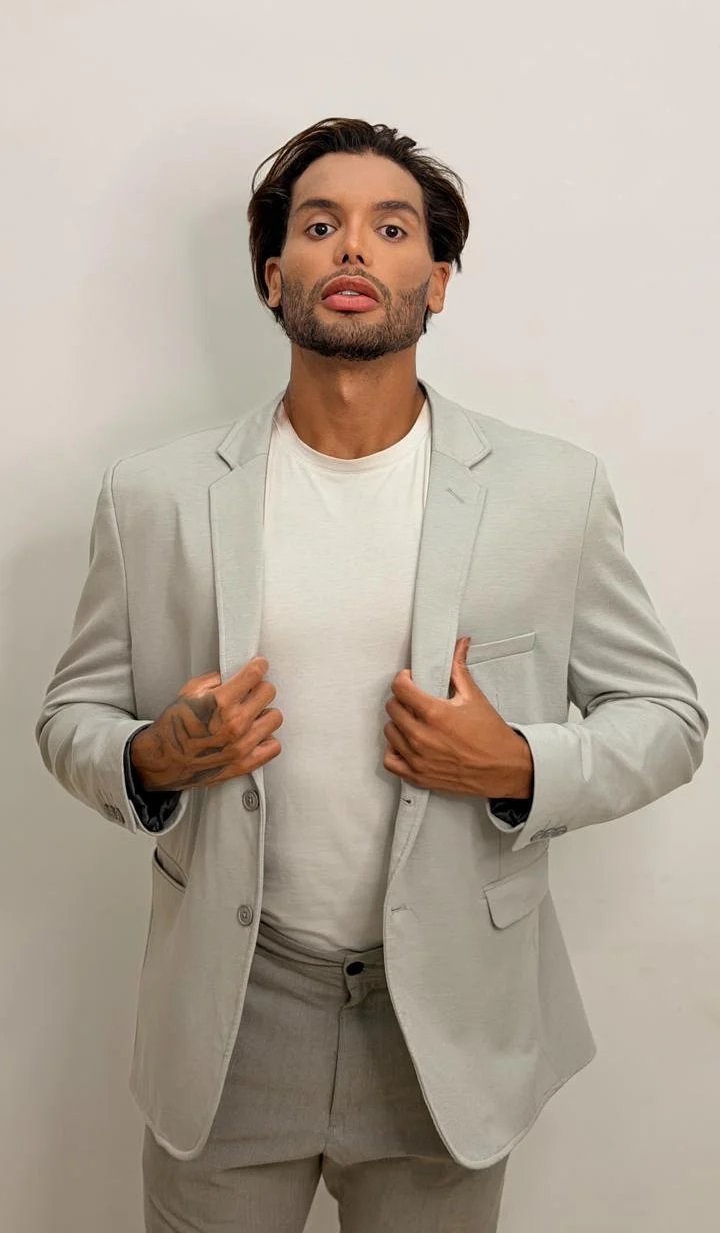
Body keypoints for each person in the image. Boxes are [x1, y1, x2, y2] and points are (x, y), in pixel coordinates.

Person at [35, 117, 708, 1233]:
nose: (353, 247)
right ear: (274, 277)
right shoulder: (154, 496)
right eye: (319, 225)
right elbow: (71, 715)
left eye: (391, 229)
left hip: (447, 1021)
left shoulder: (554, 492)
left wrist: (518, 764)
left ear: (436, 282)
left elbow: (670, 717)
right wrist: (151, 756)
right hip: (231, 1014)